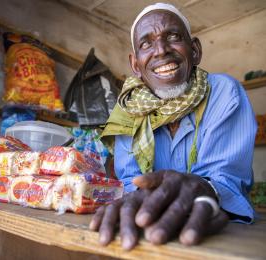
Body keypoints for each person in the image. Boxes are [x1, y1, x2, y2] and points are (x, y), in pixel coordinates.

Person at [89, 3, 257, 250]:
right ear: (136, 65)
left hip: (219, 235)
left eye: (173, 37)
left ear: (195, 50)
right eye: (146, 44)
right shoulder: (126, 112)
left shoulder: (223, 92)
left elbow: (225, 180)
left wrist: (207, 190)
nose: (161, 51)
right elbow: (130, 184)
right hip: (149, 235)